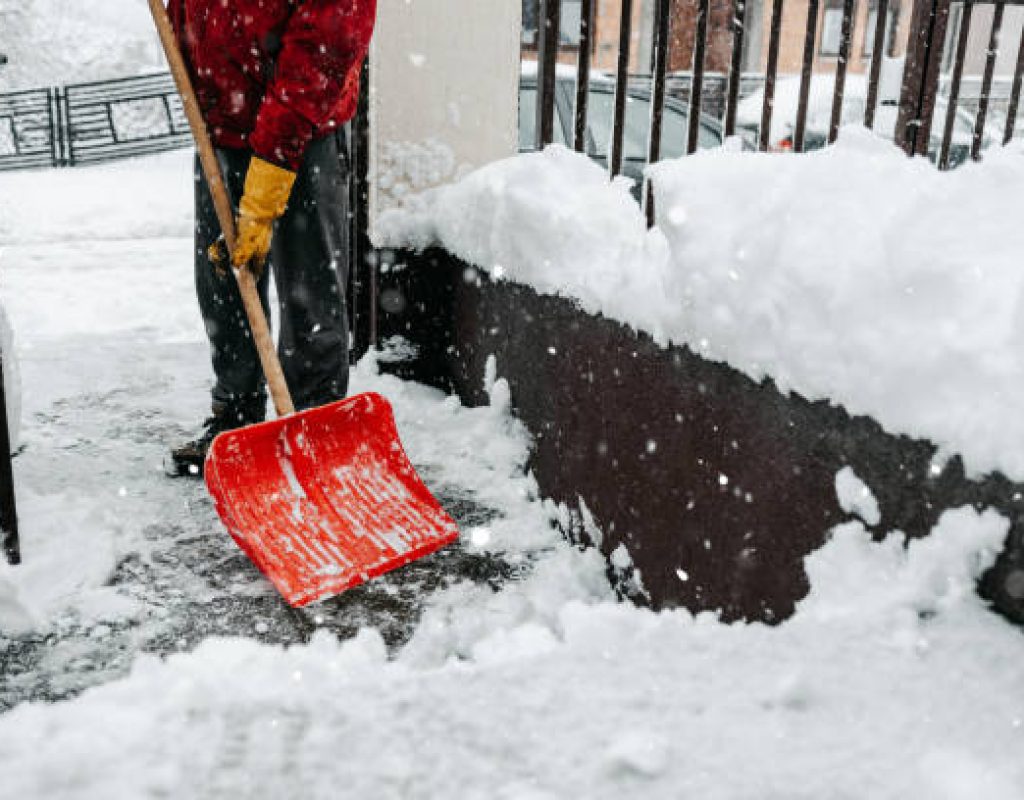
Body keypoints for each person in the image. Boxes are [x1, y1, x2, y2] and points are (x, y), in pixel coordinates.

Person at [167, 0, 377, 476]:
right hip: (220, 125)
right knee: (224, 279)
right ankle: (236, 418)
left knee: (309, 286)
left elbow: (329, 38)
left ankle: (314, 427)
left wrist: (278, 148)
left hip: (305, 126)